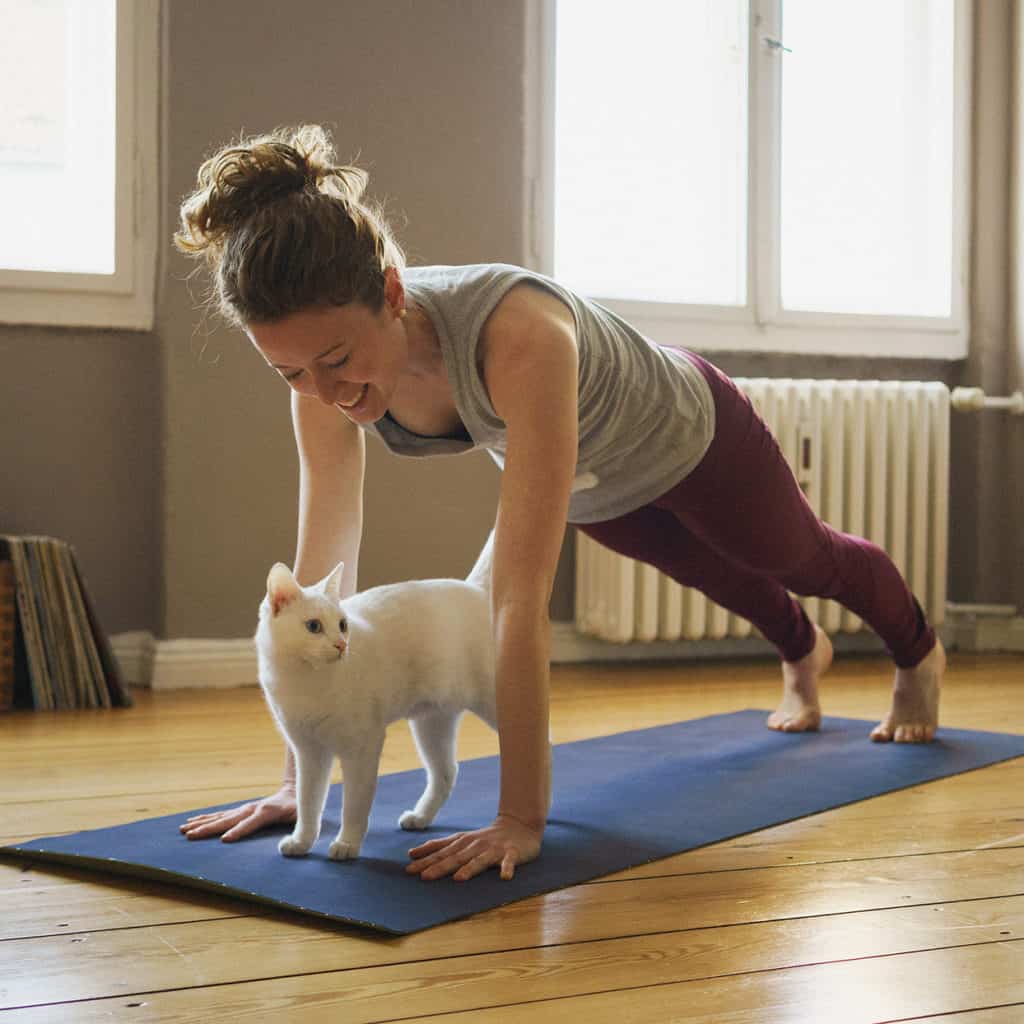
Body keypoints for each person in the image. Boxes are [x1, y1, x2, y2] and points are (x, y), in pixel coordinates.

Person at [175, 125, 946, 882]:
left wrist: (521, 816)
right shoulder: (318, 377)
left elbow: (517, 601)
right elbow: (317, 572)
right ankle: (803, 651)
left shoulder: (518, 333)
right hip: (595, 479)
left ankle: (917, 652)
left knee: (796, 557)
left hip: (689, 435)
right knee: (715, 575)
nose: (324, 390)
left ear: (390, 291)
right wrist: (292, 780)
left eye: (338, 360)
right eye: (290, 373)